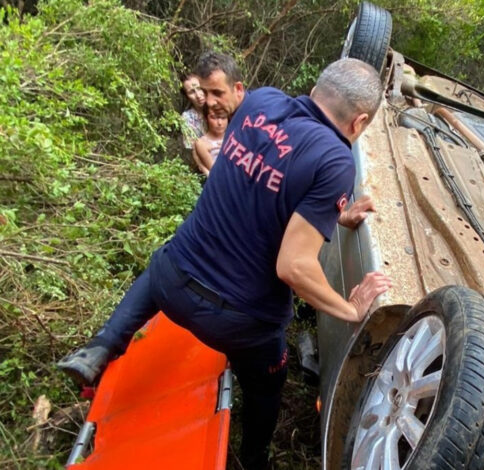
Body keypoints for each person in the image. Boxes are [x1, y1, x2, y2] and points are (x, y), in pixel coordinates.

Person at [57, 52, 391, 469]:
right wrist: (350, 309)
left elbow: (259, 181)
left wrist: (332, 213)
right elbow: (294, 267)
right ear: (359, 123)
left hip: (171, 284)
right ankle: (255, 460)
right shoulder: (335, 159)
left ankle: (103, 345)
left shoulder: (258, 102)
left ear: (315, 91)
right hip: (241, 322)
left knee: (164, 258)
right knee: (268, 385)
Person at [192, 106, 227, 176]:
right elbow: (216, 172)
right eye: (214, 118)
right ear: (206, 119)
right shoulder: (201, 143)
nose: (220, 123)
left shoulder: (234, 137)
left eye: (223, 118)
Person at [180, 73, 206, 151]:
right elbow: (193, 149)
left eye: (199, 88)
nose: (198, 95)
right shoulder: (187, 118)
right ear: (187, 96)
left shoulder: (218, 106)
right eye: (192, 92)